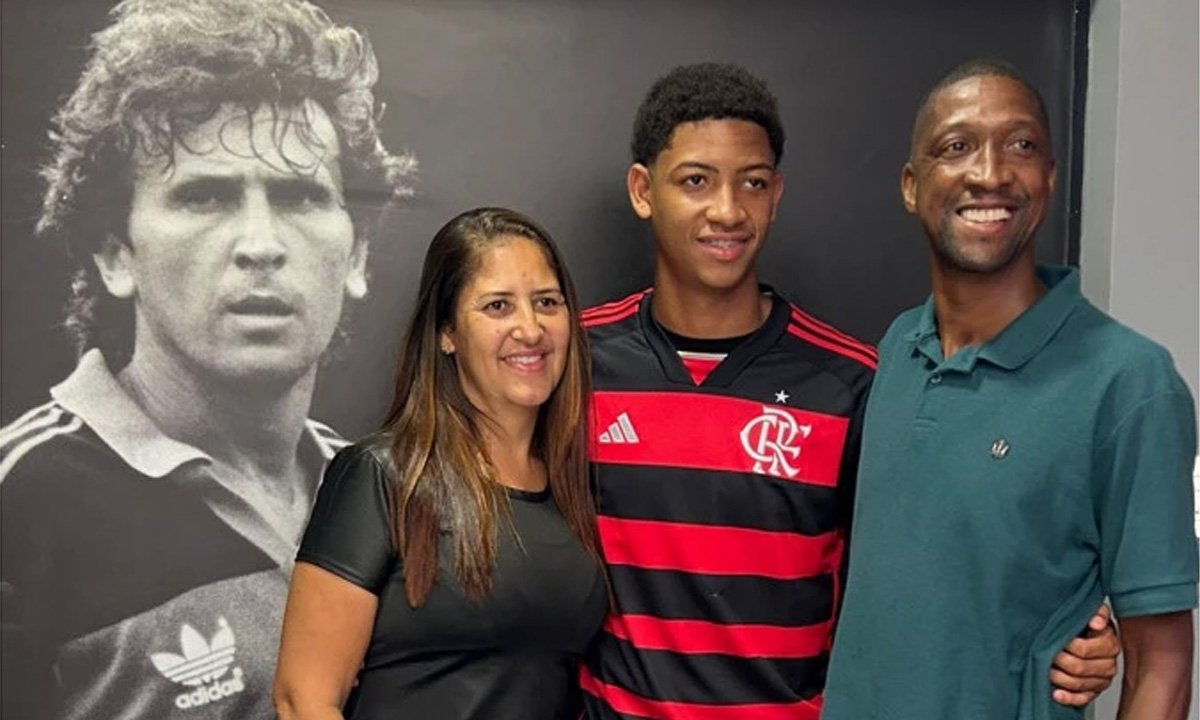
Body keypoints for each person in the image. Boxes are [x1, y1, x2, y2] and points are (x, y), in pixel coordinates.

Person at [579, 62, 1122, 719]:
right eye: (696, 181)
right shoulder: (576, 362)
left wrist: (1076, 630)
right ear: (642, 190)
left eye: (751, 183)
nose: (726, 210)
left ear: (776, 194)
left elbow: (945, 551)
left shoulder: (854, 380)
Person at [0, 1, 413, 718]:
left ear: (357, 254)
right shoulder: (19, 506)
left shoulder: (388, 500)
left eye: (298, 196)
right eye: (206, 196)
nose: (260, 243)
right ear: (115, 254)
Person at [822, 58, 1197, 719]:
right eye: (957, 146)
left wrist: (1098, 625)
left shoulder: (1131, 384)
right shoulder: (897, 349)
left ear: (1049, 179)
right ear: (912, 186)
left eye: (1021, 145)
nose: (990, 172)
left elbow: (1161, 666)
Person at [272, 207, 607, 719]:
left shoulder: (577, 491)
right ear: (447, 332)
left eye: (547, 302)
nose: (530, 327)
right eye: (498, 306)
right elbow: (303, 700)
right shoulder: (383, 477)